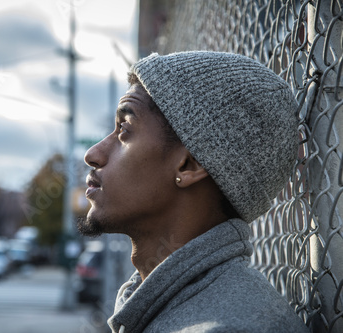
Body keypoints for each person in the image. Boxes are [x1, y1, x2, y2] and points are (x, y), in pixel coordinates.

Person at [78, 51, 310, 333]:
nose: (93, 154)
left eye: (124, 129)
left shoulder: (226, 327)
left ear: (188, 164)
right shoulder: (177, 305)